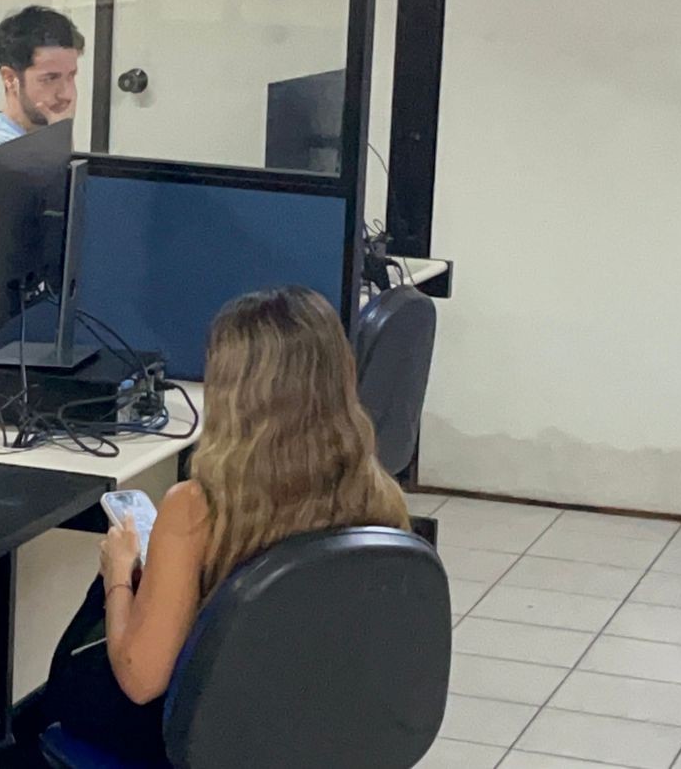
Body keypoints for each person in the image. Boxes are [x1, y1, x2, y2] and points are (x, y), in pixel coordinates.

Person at [42, 286, 412, 762]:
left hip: (207, 739)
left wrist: (118, 573)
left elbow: (141, 680)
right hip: (318, 732)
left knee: (67, 684)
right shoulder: (378, 496)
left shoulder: (198, 507)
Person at [0, 5, 84, 146]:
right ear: (10, 78)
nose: (66, 94)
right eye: (50, 79)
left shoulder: (40, 143)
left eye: (71, 76)